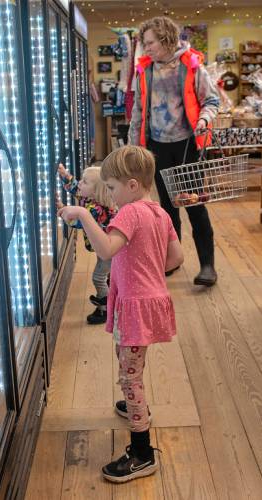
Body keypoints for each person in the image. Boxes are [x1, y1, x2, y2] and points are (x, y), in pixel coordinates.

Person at [58, 146, 184, 483]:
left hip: (135, 307)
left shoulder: (129, 213)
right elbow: (175, 258)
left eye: (111, 187)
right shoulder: (159, 212)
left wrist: (83, 215)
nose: (109, 194)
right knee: (132, 362)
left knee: (130, 377)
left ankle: (142, 452)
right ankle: (133, 406)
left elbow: (105, 250)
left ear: (131, 185)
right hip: (152, 301)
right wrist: (145, 268)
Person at [129, 16, 220, 286]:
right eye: (144, 44)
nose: (146, 49)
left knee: (193, 205)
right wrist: (134, 147)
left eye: (150, 43)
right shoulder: (145, 70)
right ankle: (173, 259)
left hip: (187, 146)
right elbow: (138, 111)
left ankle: (207, 266)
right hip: (156, 147)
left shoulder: (191, 66)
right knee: (167, 209)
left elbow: (211, 100)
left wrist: (204, 119)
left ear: (166, 39)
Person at [57, 163, 116, 324]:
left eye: (84, 181)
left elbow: (77, 222)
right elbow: (76, 188)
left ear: (96, 191)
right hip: (105, 247)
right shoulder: (89, 198)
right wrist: (64, 174)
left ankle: (106, 309)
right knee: (109, 274)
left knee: (98, 277)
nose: (80, 183)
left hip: (109, 249)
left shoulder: (95, 209)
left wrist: (63, 210)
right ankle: (114, 294)